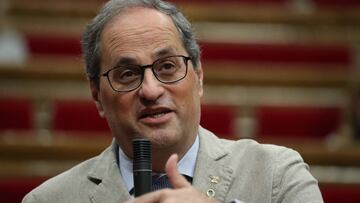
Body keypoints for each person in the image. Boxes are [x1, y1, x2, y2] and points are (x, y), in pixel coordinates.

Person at [23, 0, 323, 202]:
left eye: (167, 67)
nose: (151, 90)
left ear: (200, 76)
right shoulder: (50, 198)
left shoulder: (276, 175)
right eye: (127, 74)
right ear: (97, 97)